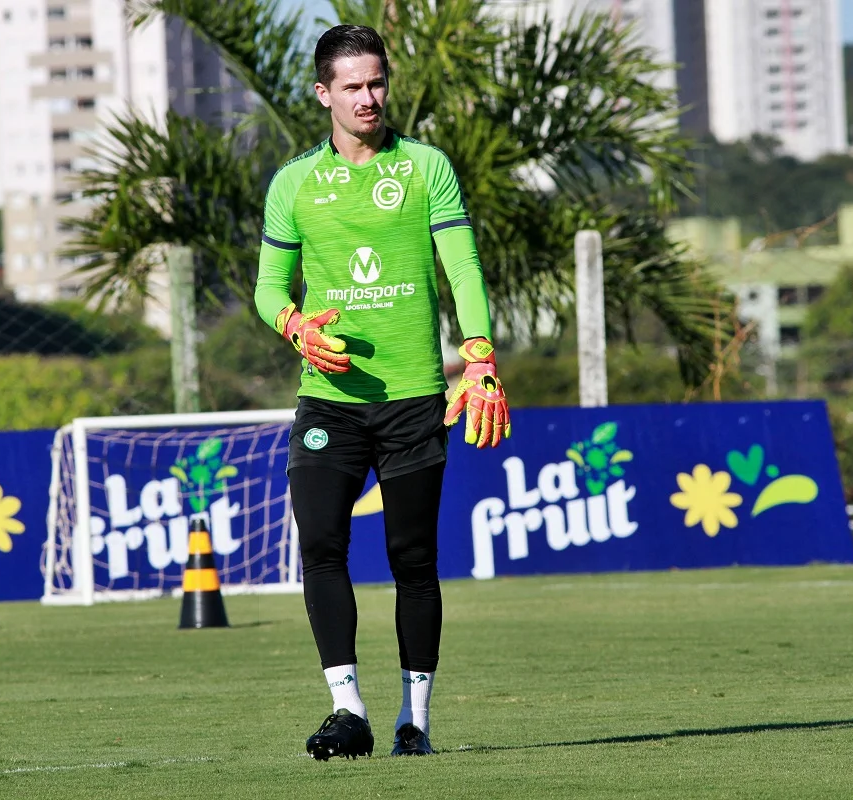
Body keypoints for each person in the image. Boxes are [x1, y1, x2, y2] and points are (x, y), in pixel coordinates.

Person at [253, 23, 511, 761]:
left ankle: (414, 721)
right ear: (323, 93)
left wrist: (482, 355)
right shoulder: (293, 183)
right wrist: (295, 325)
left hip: (414, 398)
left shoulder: (426, 167)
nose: (369, 98)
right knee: (322, 543)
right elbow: (269, 288)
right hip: (328, 401)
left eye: (377, 83)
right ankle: (348, 709)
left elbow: (462, 268)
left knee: (413, 558)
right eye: (353, 86)